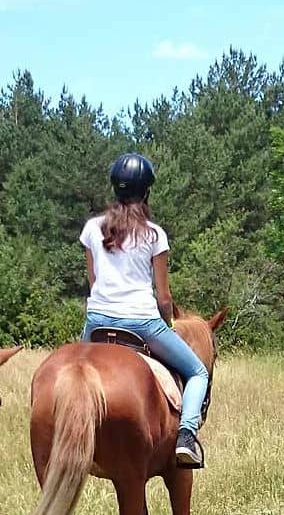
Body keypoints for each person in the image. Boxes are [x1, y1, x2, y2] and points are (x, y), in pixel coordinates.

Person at [78, 153, 211, 469]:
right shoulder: (154, 234)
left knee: (72, 370)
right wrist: (167, 324)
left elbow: (93, 280)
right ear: (147, 192)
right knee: (197, 372)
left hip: (96, 322)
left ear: (115, 189)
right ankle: (186, 437)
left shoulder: (92, 228)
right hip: (142, 322)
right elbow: (163, 296)